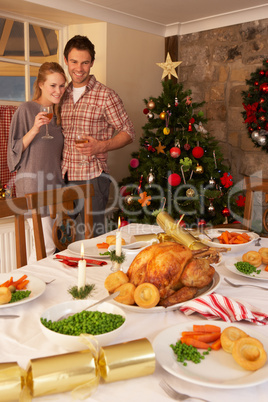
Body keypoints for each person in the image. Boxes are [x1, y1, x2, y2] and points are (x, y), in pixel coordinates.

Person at [61, 35, 135, 237]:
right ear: (66, 61)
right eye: (74, 61)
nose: (79, 68)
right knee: (65, 241)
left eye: (85, 62)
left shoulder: (106, 95)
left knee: (90, 239)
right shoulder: (61, 94)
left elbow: (129, 132)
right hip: (64, 178)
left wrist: (101, 146)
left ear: (92, 63)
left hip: (92, 178)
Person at [7, 62, 67, 262]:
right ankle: (18, 286)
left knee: (51, 246)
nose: (58, 91)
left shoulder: (59, 115)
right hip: (33, 186)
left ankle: (27, 285)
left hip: (54, 187)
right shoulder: (26, 109)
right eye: (53, 85)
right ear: (41, 84)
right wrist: (34, 129)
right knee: (47, 247)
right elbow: (12, 153)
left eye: (62, 85)